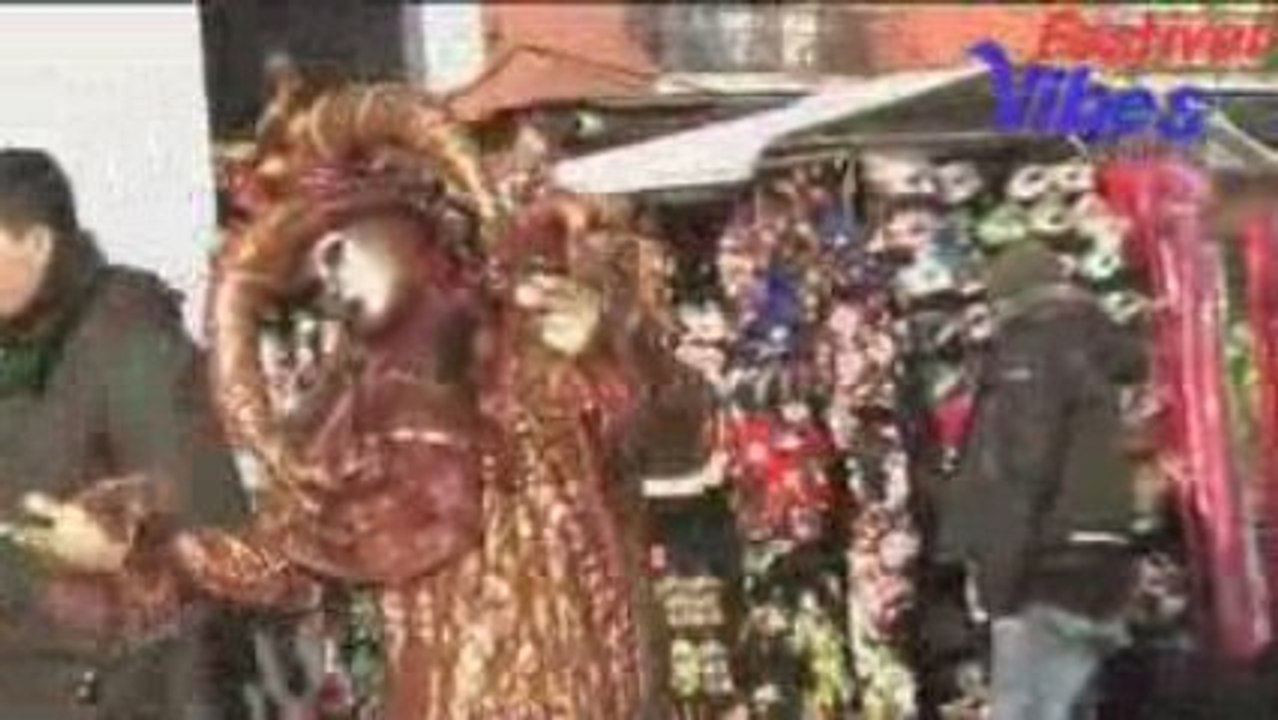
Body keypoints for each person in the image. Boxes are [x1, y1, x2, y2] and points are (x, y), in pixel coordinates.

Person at [0, 149, 254, 718]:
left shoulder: (130, 343)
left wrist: (122, 553)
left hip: (120, 693)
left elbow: (220, 538)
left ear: (37, 245)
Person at [940, 242, 1147, 720]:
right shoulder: (1093, 349)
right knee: (1071, 704)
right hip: (1098, 556)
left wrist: (997, 576)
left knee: (1028, 707)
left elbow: (1024, 469)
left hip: (1043, 561)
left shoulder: (1031, 354)